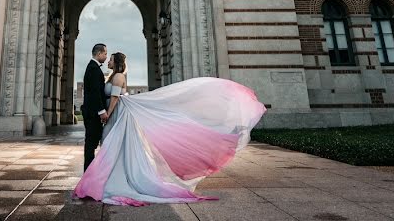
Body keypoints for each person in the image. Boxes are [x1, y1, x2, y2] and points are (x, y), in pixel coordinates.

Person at [74, 51, 266, 206]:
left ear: (116, 62)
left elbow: (115, 98)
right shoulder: (113, 76)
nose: (107, 60)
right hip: (116, 115)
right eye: (106, 56)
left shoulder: (117, 77)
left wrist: (106, 114)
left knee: (112, 145)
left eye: (111, 58)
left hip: (116, 115)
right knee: (112, 145)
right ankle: (107, 176)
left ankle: (112, 178)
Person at [81, 43, 108, 172]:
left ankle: (89, 171)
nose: (106, 57)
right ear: (98, 54)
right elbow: (95, 92)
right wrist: (102, 111)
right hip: (92, 114)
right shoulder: (93, 69)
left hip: (91, 113)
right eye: (105, 54)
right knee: (91, 144)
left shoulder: (93, 67)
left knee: (91, 143)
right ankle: (88, 173)